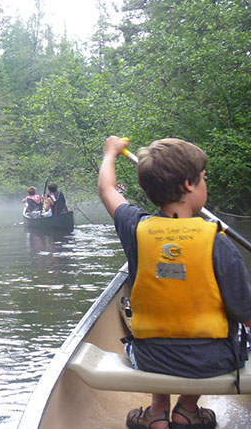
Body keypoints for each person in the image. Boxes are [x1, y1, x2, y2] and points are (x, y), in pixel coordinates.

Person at [98, 136, 251, 429]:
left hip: (149, 357)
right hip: (212, 361)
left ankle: (157, 411)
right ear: (189, 185)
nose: (205, 183)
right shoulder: (219, 243)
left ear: (145, 188)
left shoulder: (135, 227)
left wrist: (111, 153)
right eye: (204, 178)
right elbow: (245, 313)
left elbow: (106, 190)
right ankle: (188, 409)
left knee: (158, 327)